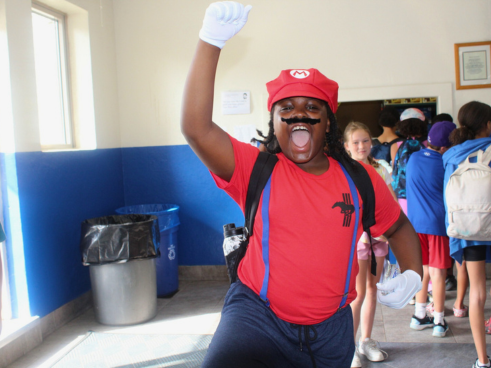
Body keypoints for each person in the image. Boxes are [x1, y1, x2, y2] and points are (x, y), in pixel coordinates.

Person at [181, 3, 423, 367]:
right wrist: (210, 40)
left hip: (330, 332)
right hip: (256, 318)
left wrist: (413, 274)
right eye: (287, 107)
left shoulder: (360, 179)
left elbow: (399, 226)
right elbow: (196, 128)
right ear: (274, 121)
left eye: (313, 108)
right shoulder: (255, 168)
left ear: (328, 123)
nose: (300, 115)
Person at [442, 101, 491, 368]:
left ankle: (482, 360)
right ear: (488, 124)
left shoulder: (452, 155)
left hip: (468, 228)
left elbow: (447, 199)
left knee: (478, 293)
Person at [343, 122, 396, 367]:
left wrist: (387, 231)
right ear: (346, 146)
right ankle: (349, 347)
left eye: (365, 141)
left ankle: (366, 340)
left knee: (373, 289)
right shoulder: (342, 172)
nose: (361, 146)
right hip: (357, 241)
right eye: (355, 142)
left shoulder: (381, 169)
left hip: (379, 239)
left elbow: (391, 203)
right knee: (358, 292)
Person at [406, 121, 456, 338]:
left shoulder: (413, 157)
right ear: (445, 148)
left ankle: (418, 316)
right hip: (437, 225)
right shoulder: (446, 163)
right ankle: (438, 320)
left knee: (422, 270)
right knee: (438, 271)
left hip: (415, 225)